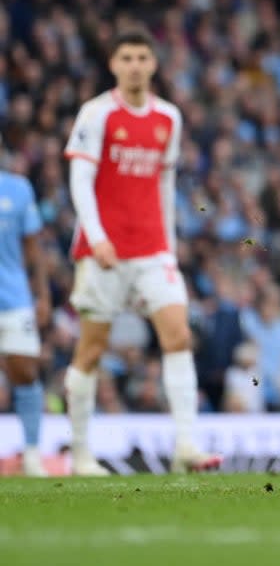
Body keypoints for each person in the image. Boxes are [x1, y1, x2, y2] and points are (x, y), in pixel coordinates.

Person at [63, 31, 221, 476]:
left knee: (178, 336)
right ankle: (79, 454)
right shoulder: (96, 114)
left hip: (153, 248)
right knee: (91, 350)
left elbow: (165, 184)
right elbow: (80, 181)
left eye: (142, 57)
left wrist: (168, 246)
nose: (134, 65)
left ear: (154, 64)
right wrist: (96, 238)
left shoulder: (168, 117)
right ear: (113, 64)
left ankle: (186, 445)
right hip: (103, 250)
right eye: (126, 57)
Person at [0, 157, 51, 476]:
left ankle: (32, 453)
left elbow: (33, 247)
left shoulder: (18, 189)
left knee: (25, 372)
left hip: (13, 297)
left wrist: (43, 295)